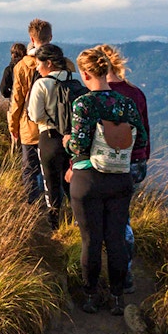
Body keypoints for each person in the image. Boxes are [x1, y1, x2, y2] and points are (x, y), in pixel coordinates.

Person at [63, 48, 147, 316]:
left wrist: (67, 142)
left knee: (91, 241)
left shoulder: (83, 104)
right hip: (120, 179)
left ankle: (90, 297)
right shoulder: (126, 103)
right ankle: (118, 298)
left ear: (85, 73)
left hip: (88, 180)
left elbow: (79, 145)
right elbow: (141, 138)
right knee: (115, 241)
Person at [97, 43, 151, 294]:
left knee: (113, 220)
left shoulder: (100, 96)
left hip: (112, 165)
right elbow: (145, 132)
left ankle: (117, 275)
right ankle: (125, 271)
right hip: (136, 164)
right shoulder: (136, 93)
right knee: (124, 215)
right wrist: (142, 158)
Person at [9, 19, 75, 204]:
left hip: (30, 127)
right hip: (61, 127)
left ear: (31, 38)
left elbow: (17, 100)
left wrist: (13, 126)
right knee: (61, 169)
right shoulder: (66, 63)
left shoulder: (22, 66)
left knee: (30, 168)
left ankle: (34, 207)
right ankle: (65, 208)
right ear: (51, 37)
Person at [27, 44, 72, 230]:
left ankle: (54, 224)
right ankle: (77, 219)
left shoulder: (42, 84)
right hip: (73, 138)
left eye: (39, 64)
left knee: (51, 182)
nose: (37, 68)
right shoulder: (75, 80)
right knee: (71, 181)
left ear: (49, 63)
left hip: (49, 136)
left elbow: (35, 116)